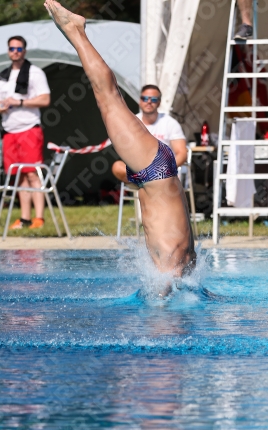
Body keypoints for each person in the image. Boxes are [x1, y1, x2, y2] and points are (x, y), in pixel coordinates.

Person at [44, 0, 196, 294]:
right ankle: (77, 31)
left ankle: (76, 36)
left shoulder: (181, 267)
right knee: (108, 96)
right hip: (155, 172)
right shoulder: (173, 268)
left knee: (108, 98)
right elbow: (168, 286)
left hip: (155, 177)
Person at [0, 36, 51, 230]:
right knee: (19, 176)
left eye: (19, 49)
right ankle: (25, 218)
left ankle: (39, 218)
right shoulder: (3, 76)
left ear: (24, 51)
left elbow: (44, 100)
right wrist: (2, 106)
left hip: (29, 129)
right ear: (8, 51)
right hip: (10, 131)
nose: (15, 52)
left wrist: (19, 102)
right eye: (12, 48)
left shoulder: (35, 73)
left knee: (34, 174)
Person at [112, 85, 187, 184]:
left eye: (154, 99)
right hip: (140, 171)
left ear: (159, 102)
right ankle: (145, 180)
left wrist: (165, 170)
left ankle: (146, 181)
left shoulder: (170, 123)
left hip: (164, 172)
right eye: (145, 98)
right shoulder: (131, 122)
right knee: (117, 166)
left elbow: (182, 153)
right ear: (140, 101)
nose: (148, 101)